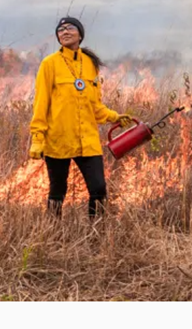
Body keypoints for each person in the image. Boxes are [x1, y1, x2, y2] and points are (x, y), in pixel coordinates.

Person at [29, 16, 135, 219]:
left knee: (99, 189)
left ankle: (96, 234)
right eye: (60, 30)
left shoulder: (90, 64)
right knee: (57, 191)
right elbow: (41, 104)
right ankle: (51, 233)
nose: (64, 32)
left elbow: (95, 105)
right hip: (59, 139)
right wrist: (37, 138)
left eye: (69, 28)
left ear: (80, 34)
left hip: (88, 140)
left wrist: (114, 117)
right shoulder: (49, 64)